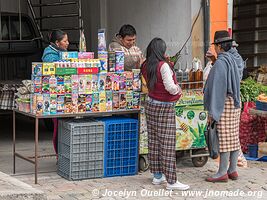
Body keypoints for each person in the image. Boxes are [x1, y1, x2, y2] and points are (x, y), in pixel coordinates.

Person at [141, 37, 189, 190]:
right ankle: (172, 181)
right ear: (161, 51)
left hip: (150, 104)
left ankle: (157, 176)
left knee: (154, 140)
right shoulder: (163, 66)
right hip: (165, 106)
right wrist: (178, 89)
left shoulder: (145, 65)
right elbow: (170, 87)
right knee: (167, 144)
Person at [204, 30, 244, 182]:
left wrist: (213, 112)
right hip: (235, 102)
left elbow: (218, 89)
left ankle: (222, 172)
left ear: (219, 46)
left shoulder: (221, 62)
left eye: (215, 45)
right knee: (233, 137)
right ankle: (232, 170)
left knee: (225, 138)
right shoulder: (234, 58)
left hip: (224, 103)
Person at [42, 29, 69, 154]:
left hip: (66, 94)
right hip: (55, 97)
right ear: (57, 43)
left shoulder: (62, 52)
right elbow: (54, 69)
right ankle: (59, 155)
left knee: (66, 127)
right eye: (65, 41)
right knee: (58, 128)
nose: (68, 43)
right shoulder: (49, 54)